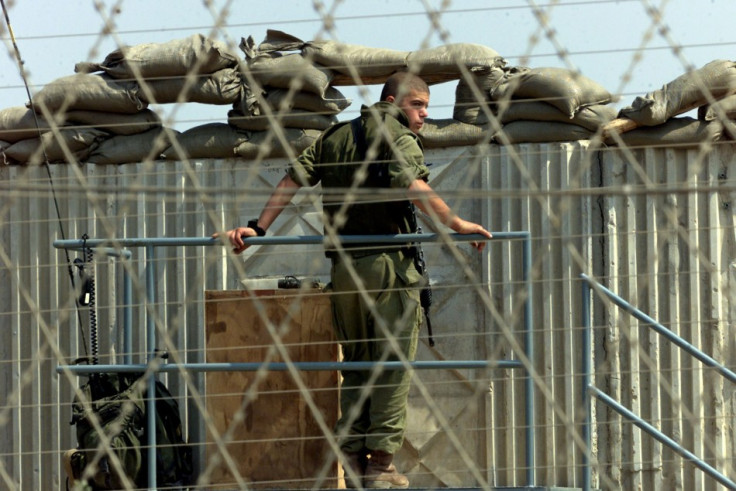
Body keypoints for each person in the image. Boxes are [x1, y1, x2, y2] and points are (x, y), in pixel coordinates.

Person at [222, 71, 491, 488]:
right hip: (388, 268)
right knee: (393, 365)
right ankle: (381, 462)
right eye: (418, 105)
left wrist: (259, 226)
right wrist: (455, 222)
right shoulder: (396, 136)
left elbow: (292, 178)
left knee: (361, 365)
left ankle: (351, 446)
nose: (423, 116)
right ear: (394, 100)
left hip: (346, 272)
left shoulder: (335, 136)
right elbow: (413, 185)